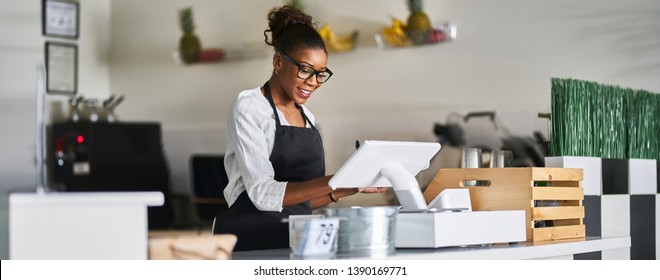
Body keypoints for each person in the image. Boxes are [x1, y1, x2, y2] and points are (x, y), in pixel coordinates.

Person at [213, 5, 385, 251]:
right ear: (278, 62)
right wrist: (337, 179)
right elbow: (262, 194)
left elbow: (303, 201)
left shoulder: (308, 118)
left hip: (298, 239)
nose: (313, 82)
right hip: (251, 241)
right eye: (305, 70)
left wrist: (352, 184)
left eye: (320, 74)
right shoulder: (249, 107)